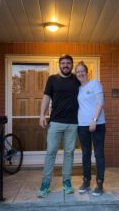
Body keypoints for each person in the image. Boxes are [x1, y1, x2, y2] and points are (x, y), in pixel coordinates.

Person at [37, 54, 80, 198]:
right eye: (63, 63)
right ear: (59, 65)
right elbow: (46, 98)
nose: (66, 65)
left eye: (68, 63)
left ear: (72, 65)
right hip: (55, 122)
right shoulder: (52, 79)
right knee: (51, 152)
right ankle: (46, 183)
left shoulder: (77, 79)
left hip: (73, 123)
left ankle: (66, 181)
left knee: (69, 153)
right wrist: (42, 115)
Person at [75, 61, 106, 196]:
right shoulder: (77, 88)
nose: (80, 73)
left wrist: (94, 120)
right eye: (78, 72)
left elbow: (100, 102)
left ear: (87, 72)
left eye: (82, 71)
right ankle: (86, 181)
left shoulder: (95, 84)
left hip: (97, 124)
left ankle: (99, 183)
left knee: (98, 154)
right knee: (85, 154)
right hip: (82, 125)